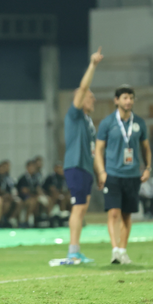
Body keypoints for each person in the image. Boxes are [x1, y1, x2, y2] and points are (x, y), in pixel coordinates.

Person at [94, 85, 152, 264]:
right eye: (125, 97)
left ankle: (123, 250)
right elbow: (98, 150)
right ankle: (114, 251)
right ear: (116, 100)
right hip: (113, 174)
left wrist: (148, 168)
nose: (129, 101)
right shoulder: (107, 123)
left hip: (132, 175)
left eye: (131, 98)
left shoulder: (139, 123)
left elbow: (146, 148)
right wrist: (101, 172)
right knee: (113, 213)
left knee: (127, 215)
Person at [63, 47, 102, 262]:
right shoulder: (74, 115)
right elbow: (83, 87)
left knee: (82, 208)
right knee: (78, 208)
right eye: (90, 97)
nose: (93, 99)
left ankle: (76, 250)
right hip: (75, 166)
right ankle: (72, 251)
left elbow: (93, 152)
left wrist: (99, 173)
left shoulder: (88, 123)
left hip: (85, 169)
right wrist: (93, 65)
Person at [0, 160, 21, 228]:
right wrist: (5, 195)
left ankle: (11, 219)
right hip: (0, 196)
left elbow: (11, 188)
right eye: (4, 167)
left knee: (18, 202)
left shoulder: (8, 177)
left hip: (9, 196)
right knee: (7, 204)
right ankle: (1, 220)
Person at [16, 160, 42, 228]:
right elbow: (24, 191)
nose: (33, 169)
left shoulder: (35, 178)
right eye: (31, 167)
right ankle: (26, 221)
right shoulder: (23, 178)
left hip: (33, 197)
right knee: (32, 202)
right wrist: (33, 192)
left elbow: (38, 189)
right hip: (23, 198)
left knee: (40, 201)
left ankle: (39, 220)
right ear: (27, 167)